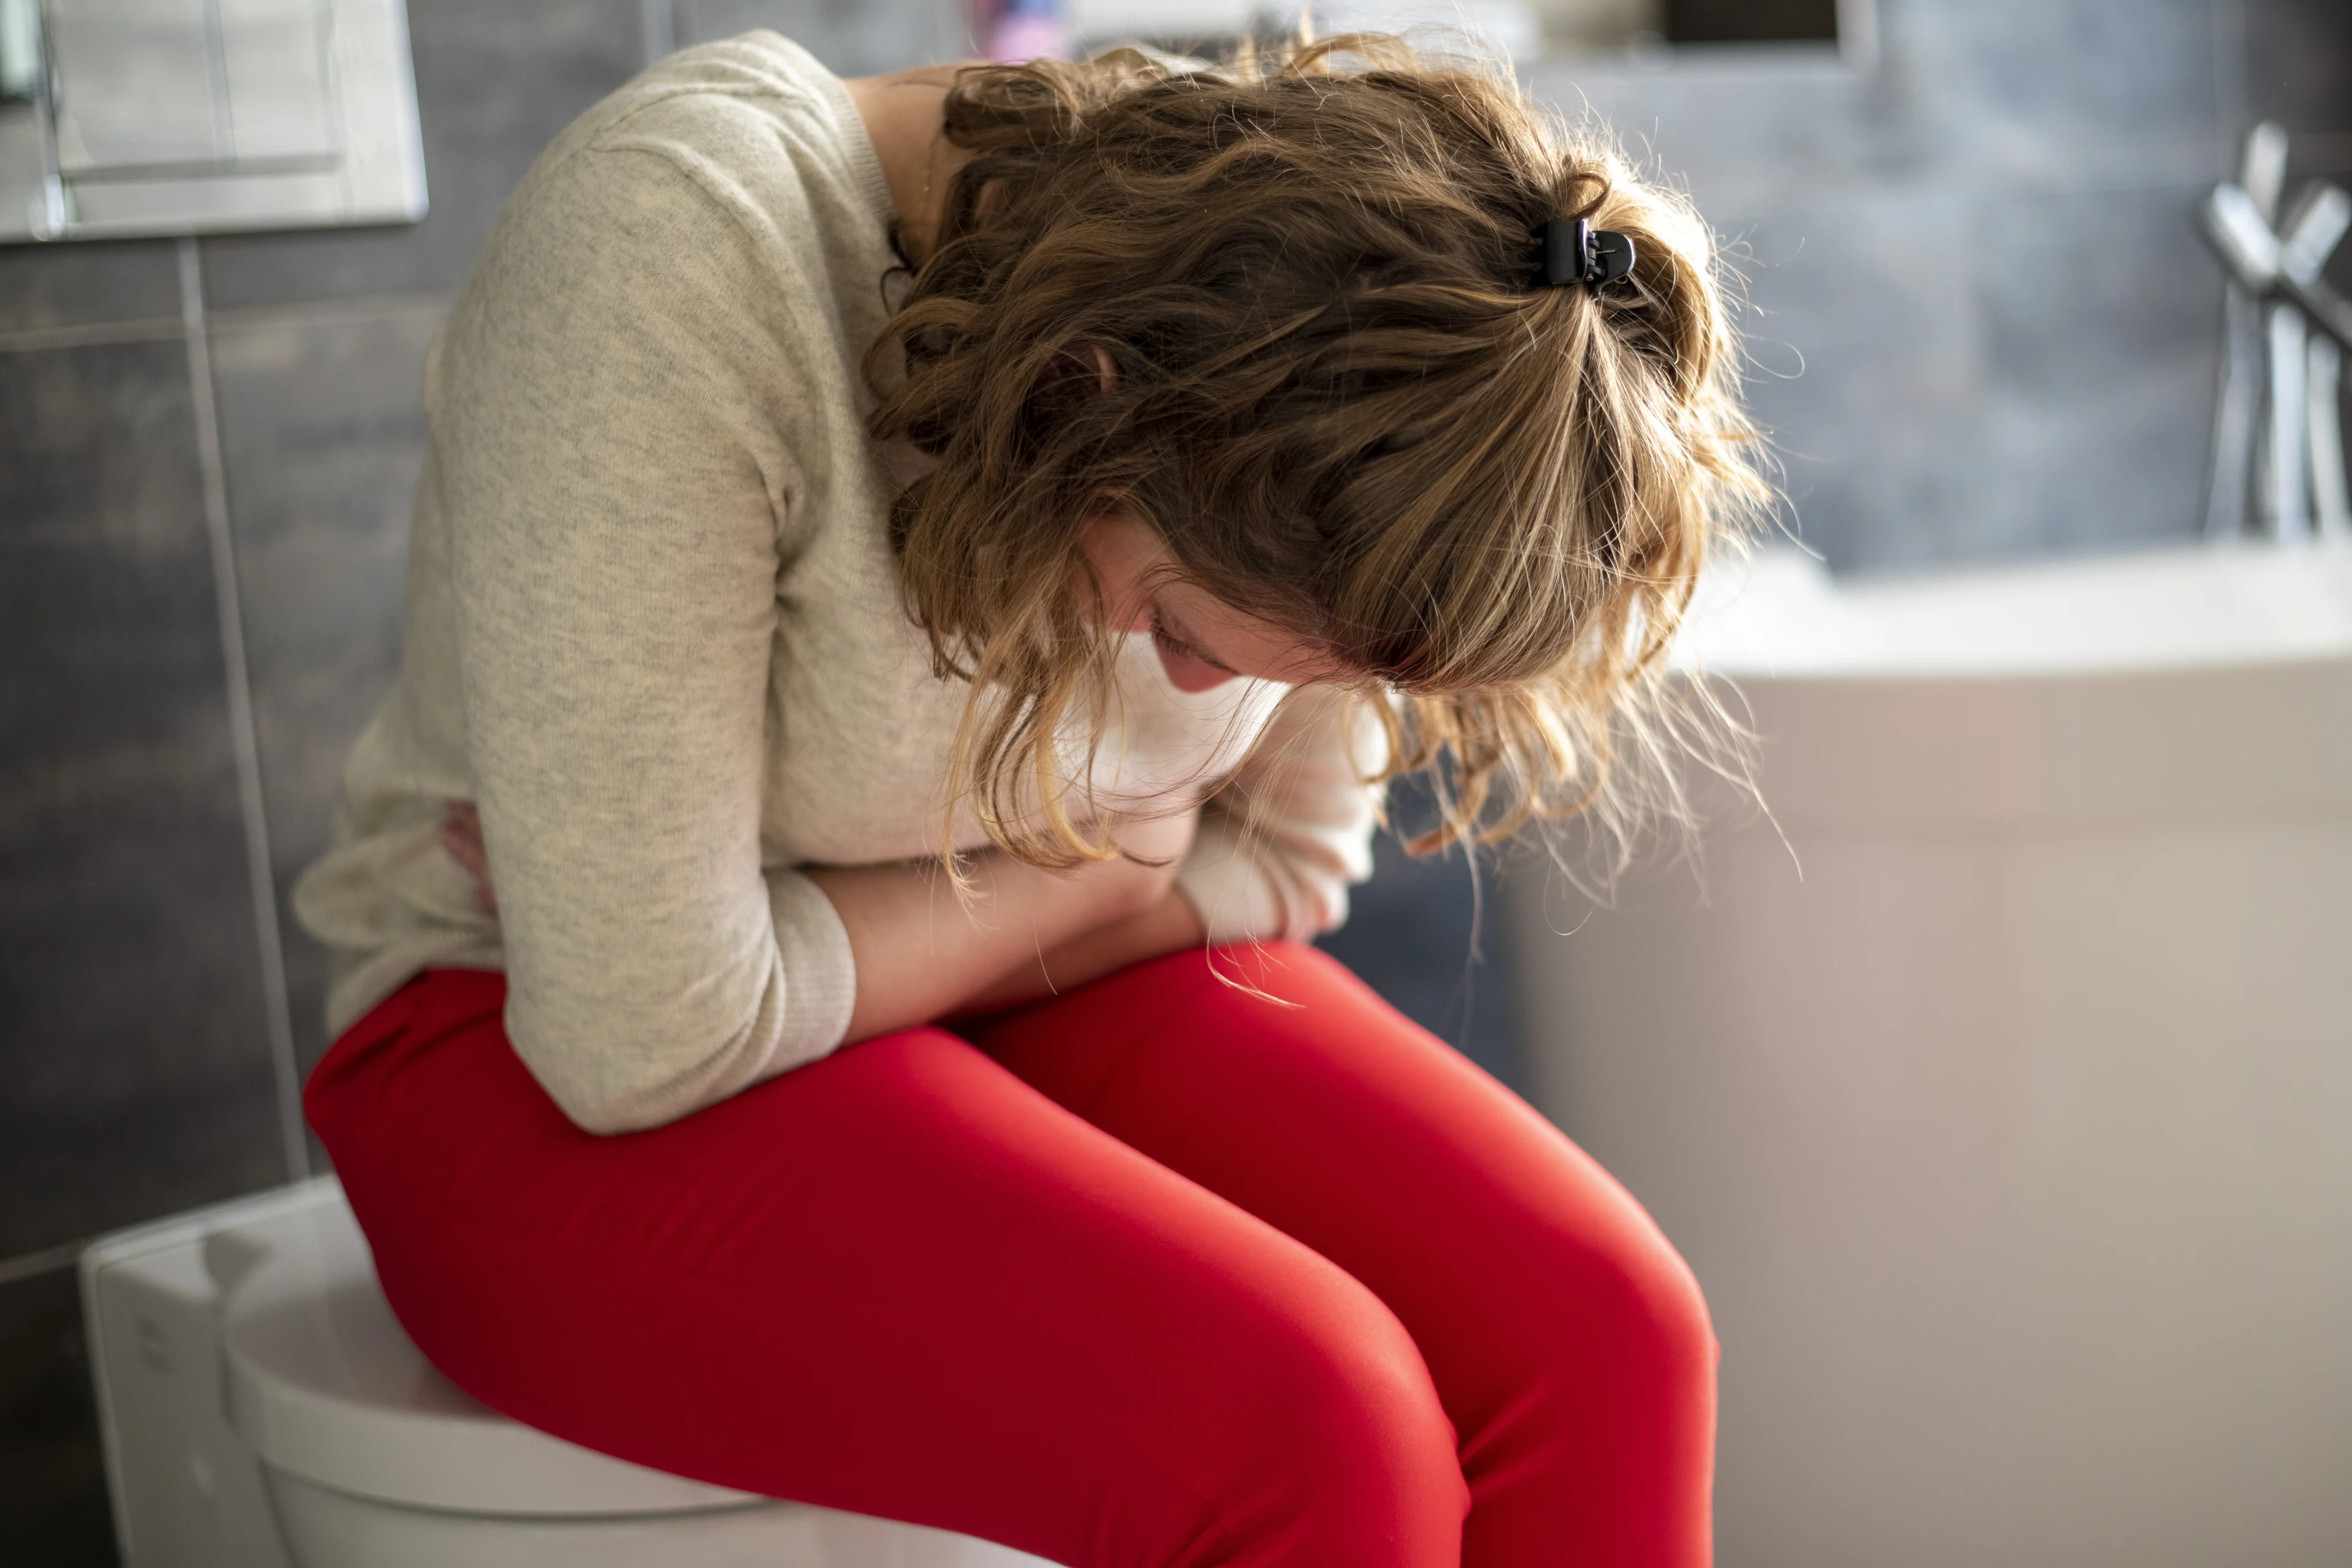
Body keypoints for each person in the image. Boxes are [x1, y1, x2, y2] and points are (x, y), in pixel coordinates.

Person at [294, 28, 1761, 1568]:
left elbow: (1296, 859)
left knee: (1608, 1334)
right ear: (1084, 399)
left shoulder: (1358, 360)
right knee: (1307, 1425)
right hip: (509, 1037)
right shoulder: (679, 258)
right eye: (1185, 634)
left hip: (942, 987)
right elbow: (635, 1032)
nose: (1215, 696)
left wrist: (902, 918)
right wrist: (1103, 875)